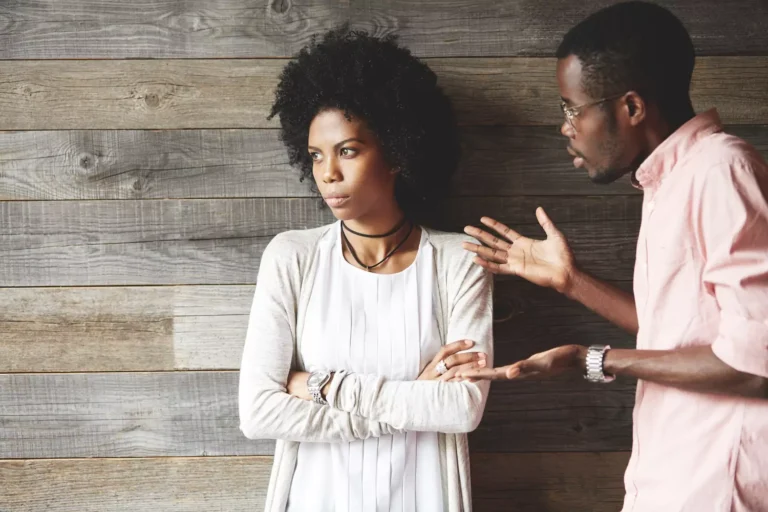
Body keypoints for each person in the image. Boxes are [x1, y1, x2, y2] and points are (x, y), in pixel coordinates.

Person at [460, 2, 768, 511]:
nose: (565, 127)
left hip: (715, 488)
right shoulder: (671, 180)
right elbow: (682, 331)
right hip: (672, 478)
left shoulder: (720, 172)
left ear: (632, 107)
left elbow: (755, 362)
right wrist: (571, 281)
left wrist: (592, 359)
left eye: (572, 109)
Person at [238, 27, 494, 512]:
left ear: (396, 151)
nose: (327, 173)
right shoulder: (292, 257)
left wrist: (323, 386)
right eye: (316, 155)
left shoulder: (459, 260)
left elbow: (462, 408)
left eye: (348, 150)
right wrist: (411, 402)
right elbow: (258, 412)